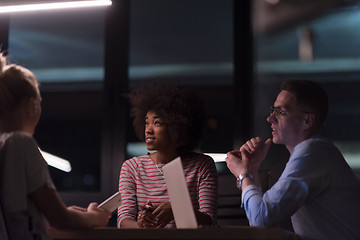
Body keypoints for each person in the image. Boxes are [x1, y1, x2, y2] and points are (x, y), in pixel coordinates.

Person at [226, 79, 360, 240]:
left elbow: (260, 218)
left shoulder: (311, 152)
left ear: (307, 121)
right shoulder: (314, 152)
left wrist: (243, 173)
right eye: (272, 110)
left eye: (281, 112)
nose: (270, 118)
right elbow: (261, 223)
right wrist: (251, 169)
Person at [0, 53, 111, 240]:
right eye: (40, 103)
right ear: (31, 105)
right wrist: (94, 217)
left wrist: (45, 213)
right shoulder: (21, 144)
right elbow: (62, 219)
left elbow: (16, 212)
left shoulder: (3, 144)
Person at [117, 81, 218, 228]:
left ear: (177, 126)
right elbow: (123, 220)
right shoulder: (132, 167)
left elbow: (210, 220)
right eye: (146, 123)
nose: (148, 130)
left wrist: (178, 210)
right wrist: (141, 224)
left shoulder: (202, 165)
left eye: (157, 123)